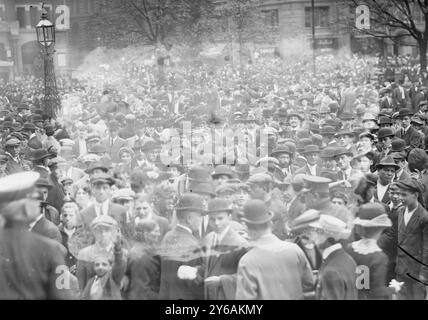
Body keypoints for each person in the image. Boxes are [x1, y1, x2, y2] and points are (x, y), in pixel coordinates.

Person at [0, 171, 70, 299]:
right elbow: (63, 294)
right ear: (24, 207)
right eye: (34, 197)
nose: (38, 201)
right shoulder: (50, 249)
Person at [235, 199, 314, 299]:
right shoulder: (295, 250)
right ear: (270, 224)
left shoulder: (247, 261)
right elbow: (309, 287)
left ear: (248, 228)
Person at [158, 193, 206, 300]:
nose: (200, 220)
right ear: (189, 218)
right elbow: (196, 284)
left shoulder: (168, 236)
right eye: (199, 216)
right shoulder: (192, 244)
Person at [348, 203, 398, 299]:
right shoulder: (379, 257)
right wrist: (394, 288)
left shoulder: (350, 248)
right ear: (381, 228)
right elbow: (377, 291)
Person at [203, 198, 248, 300]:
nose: (216, 223)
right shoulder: (208, 238)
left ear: (229, 217)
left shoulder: (240, 244)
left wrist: (222, 280)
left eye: (220, 218)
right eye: (212, 219)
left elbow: (246, 276)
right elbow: (207, 266)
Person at [307, 214, 357, 300]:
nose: (314, 235)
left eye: (318, 231)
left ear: (329, 235)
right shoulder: (348, 259)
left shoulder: (330, 271)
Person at [76, 215, 127, 293]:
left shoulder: (124, 254)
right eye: (99, 230)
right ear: (94, 232)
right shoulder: (84, 254)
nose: (103, 234)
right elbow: (81, 284)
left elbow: (127, 282)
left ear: (112, 231)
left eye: (107, 230)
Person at [125, 219, 161, 300]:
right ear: (145, 234)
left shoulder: (142, 249)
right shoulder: (140, 256)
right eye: (156, 231)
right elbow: (140, 290)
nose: (159, 234)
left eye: (159, 231)